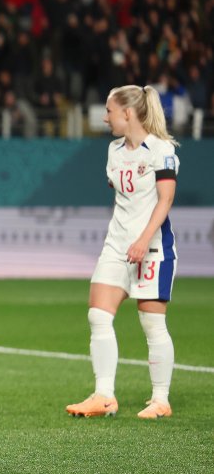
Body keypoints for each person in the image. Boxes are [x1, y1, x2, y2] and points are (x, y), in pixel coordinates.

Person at [65, 85, 180, 420]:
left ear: (128, 113)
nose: (105, 117)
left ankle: (161, 399)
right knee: (98, 316)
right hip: (116, 244)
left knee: (152, 324)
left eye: (109, 110)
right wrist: (128, 238)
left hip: (153, 247)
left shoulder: (162, 150)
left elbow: (165, 199)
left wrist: (144, 239)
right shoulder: (114, 150)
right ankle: (104, 396)